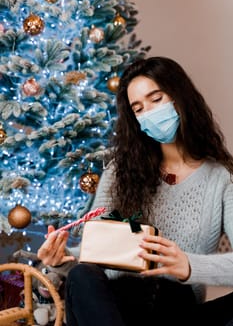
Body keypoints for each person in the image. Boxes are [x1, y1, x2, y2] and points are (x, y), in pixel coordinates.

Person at [37, 56, 233, 326]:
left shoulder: (221, 178)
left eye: (156, 99)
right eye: (138, 108)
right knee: (83, 275)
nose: (149, 113)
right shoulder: (120, 171)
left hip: (178, 309)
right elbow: (93, 256)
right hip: (115, 305)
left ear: (180, 97)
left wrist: (189, 266)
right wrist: (59, 261)